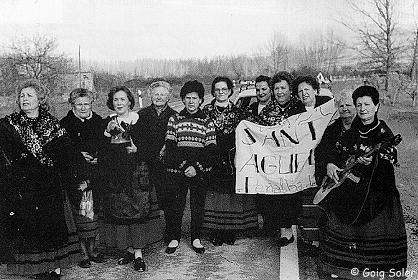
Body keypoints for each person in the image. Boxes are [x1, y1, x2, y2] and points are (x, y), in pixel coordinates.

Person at [0, 79, 88, 279]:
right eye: (22, 96)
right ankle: (37, 268)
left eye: (29, 96)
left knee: (52, 228)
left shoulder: (52, 125)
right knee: (31, 229)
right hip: (23, 186)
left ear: (40, 99)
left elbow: (68, 155)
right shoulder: (9, 125)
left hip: (49, 186)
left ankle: (55, 268)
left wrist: (78, 176)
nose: (24, 99)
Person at [317, 86, 407, 279]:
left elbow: (389, 157)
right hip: (350, 188)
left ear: (377, 106)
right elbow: (337, 150)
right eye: (359, 104)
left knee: (372, 236)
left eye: (367, 104)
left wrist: (374, 161)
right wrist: (331, 163)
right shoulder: (353, 128)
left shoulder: (383, 132)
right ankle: (343, 270)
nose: (363, 108)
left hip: (376, 194)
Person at [101, 86, 163, 272]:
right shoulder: (109, 122)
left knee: (137, 212)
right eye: (115, 100)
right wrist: (106, 135)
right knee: (122, 213)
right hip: (118, 175)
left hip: (138, 173)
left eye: (122, 99)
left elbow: (152, 149)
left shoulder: (140, 121)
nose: (119, 103)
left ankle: (138, 254)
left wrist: (138, 151)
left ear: (129, 101)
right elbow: (103, 152)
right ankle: (128, 250)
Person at [248, 72, 304, 246]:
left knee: (288, 195)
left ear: (290, 89)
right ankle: (273, 225)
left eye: (283, 88)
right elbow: (256, 131)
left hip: (292, 161)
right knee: (272, 195)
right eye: (276, 88)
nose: (280, 92)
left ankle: (287, 231)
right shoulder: (267, 110)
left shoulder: (298, 108)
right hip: (271, 160)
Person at [201, 77, 258, 246]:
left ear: (229, 91)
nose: (221, 92)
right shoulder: (206, 111)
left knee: (232, 194)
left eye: (224, 89)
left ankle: (230, 230)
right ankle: (216, 230)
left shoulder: (239, 112)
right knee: (215, 195)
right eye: (217, 89)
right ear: (213, 92)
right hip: (212, 157)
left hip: (233, 158)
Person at [164, 80, 217, 254]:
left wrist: (196, 167)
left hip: (200, 172)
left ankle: (196, 238)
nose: (191, 101)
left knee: (197, 205)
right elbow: (170, 147)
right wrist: (185, 165)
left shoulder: (207, 121)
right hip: (178, 171)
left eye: (195, 98)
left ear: (201, 100)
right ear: (183, 99)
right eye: (188, 98)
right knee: (176, 205)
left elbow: (211, 149)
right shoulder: (175, 119)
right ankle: (174, 238)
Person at [60, 88, 107, 268]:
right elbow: (63, 150)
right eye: (79, 104)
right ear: (72, 105)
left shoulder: (98, 121)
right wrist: (79, 155)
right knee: (80, 213)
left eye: (86, 104)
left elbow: (106, 145)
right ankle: (82, 252)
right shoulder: (64, 124)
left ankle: (93, 249)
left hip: (96, 173)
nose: (83, 107)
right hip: (76, 175)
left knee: (93, 212)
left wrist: (98, 157)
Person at [291, 75, 333, 248]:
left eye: (307, 90)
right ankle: (309, 239)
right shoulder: (295, 111)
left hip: (324, 161)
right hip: (304, 164)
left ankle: (327, 240)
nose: (304, 94)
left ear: (315, 90)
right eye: (300, 91)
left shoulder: (328, 107)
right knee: (307, 202)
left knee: (324, 200)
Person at [135, 80, 177, 243]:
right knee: (148, 199)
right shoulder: (141, 115)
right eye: (156, 94)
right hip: (147, 163)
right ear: (150, 96)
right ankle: (148, 234)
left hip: (167, 165)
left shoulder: (174, 115)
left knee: (168, 200)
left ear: (168, 97)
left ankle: (171, 233)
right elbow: (137, 140)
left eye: (162, 94)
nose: (159, 97)